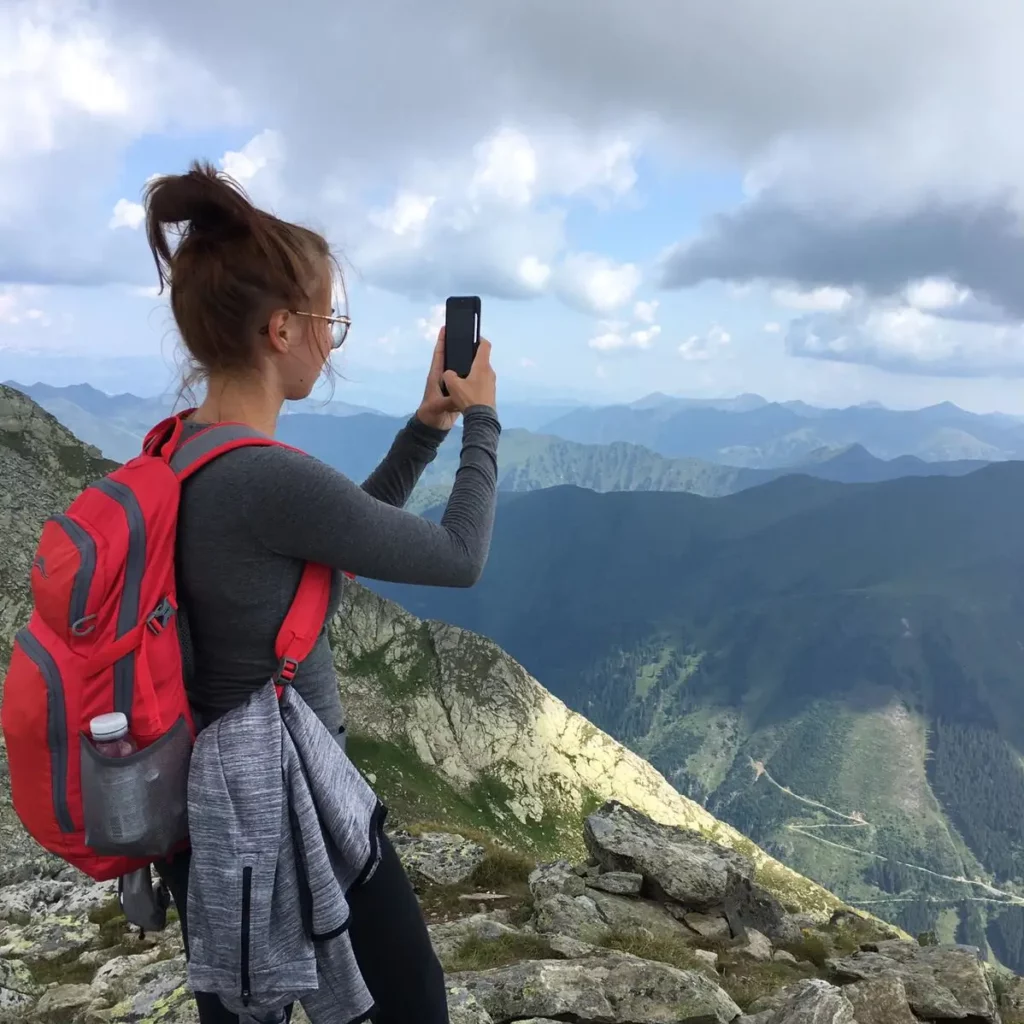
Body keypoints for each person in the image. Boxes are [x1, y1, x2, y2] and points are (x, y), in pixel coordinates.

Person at [142, 160, 500, 1024]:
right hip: (297, 811)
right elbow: (459, 556)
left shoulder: (180, 451)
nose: (330, 340)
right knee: (411, 1007)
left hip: (208, 815)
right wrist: (483, 423)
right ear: (280, 331)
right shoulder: (266, 479)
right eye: (328, 319)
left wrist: (426, 431)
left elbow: (332, 546)